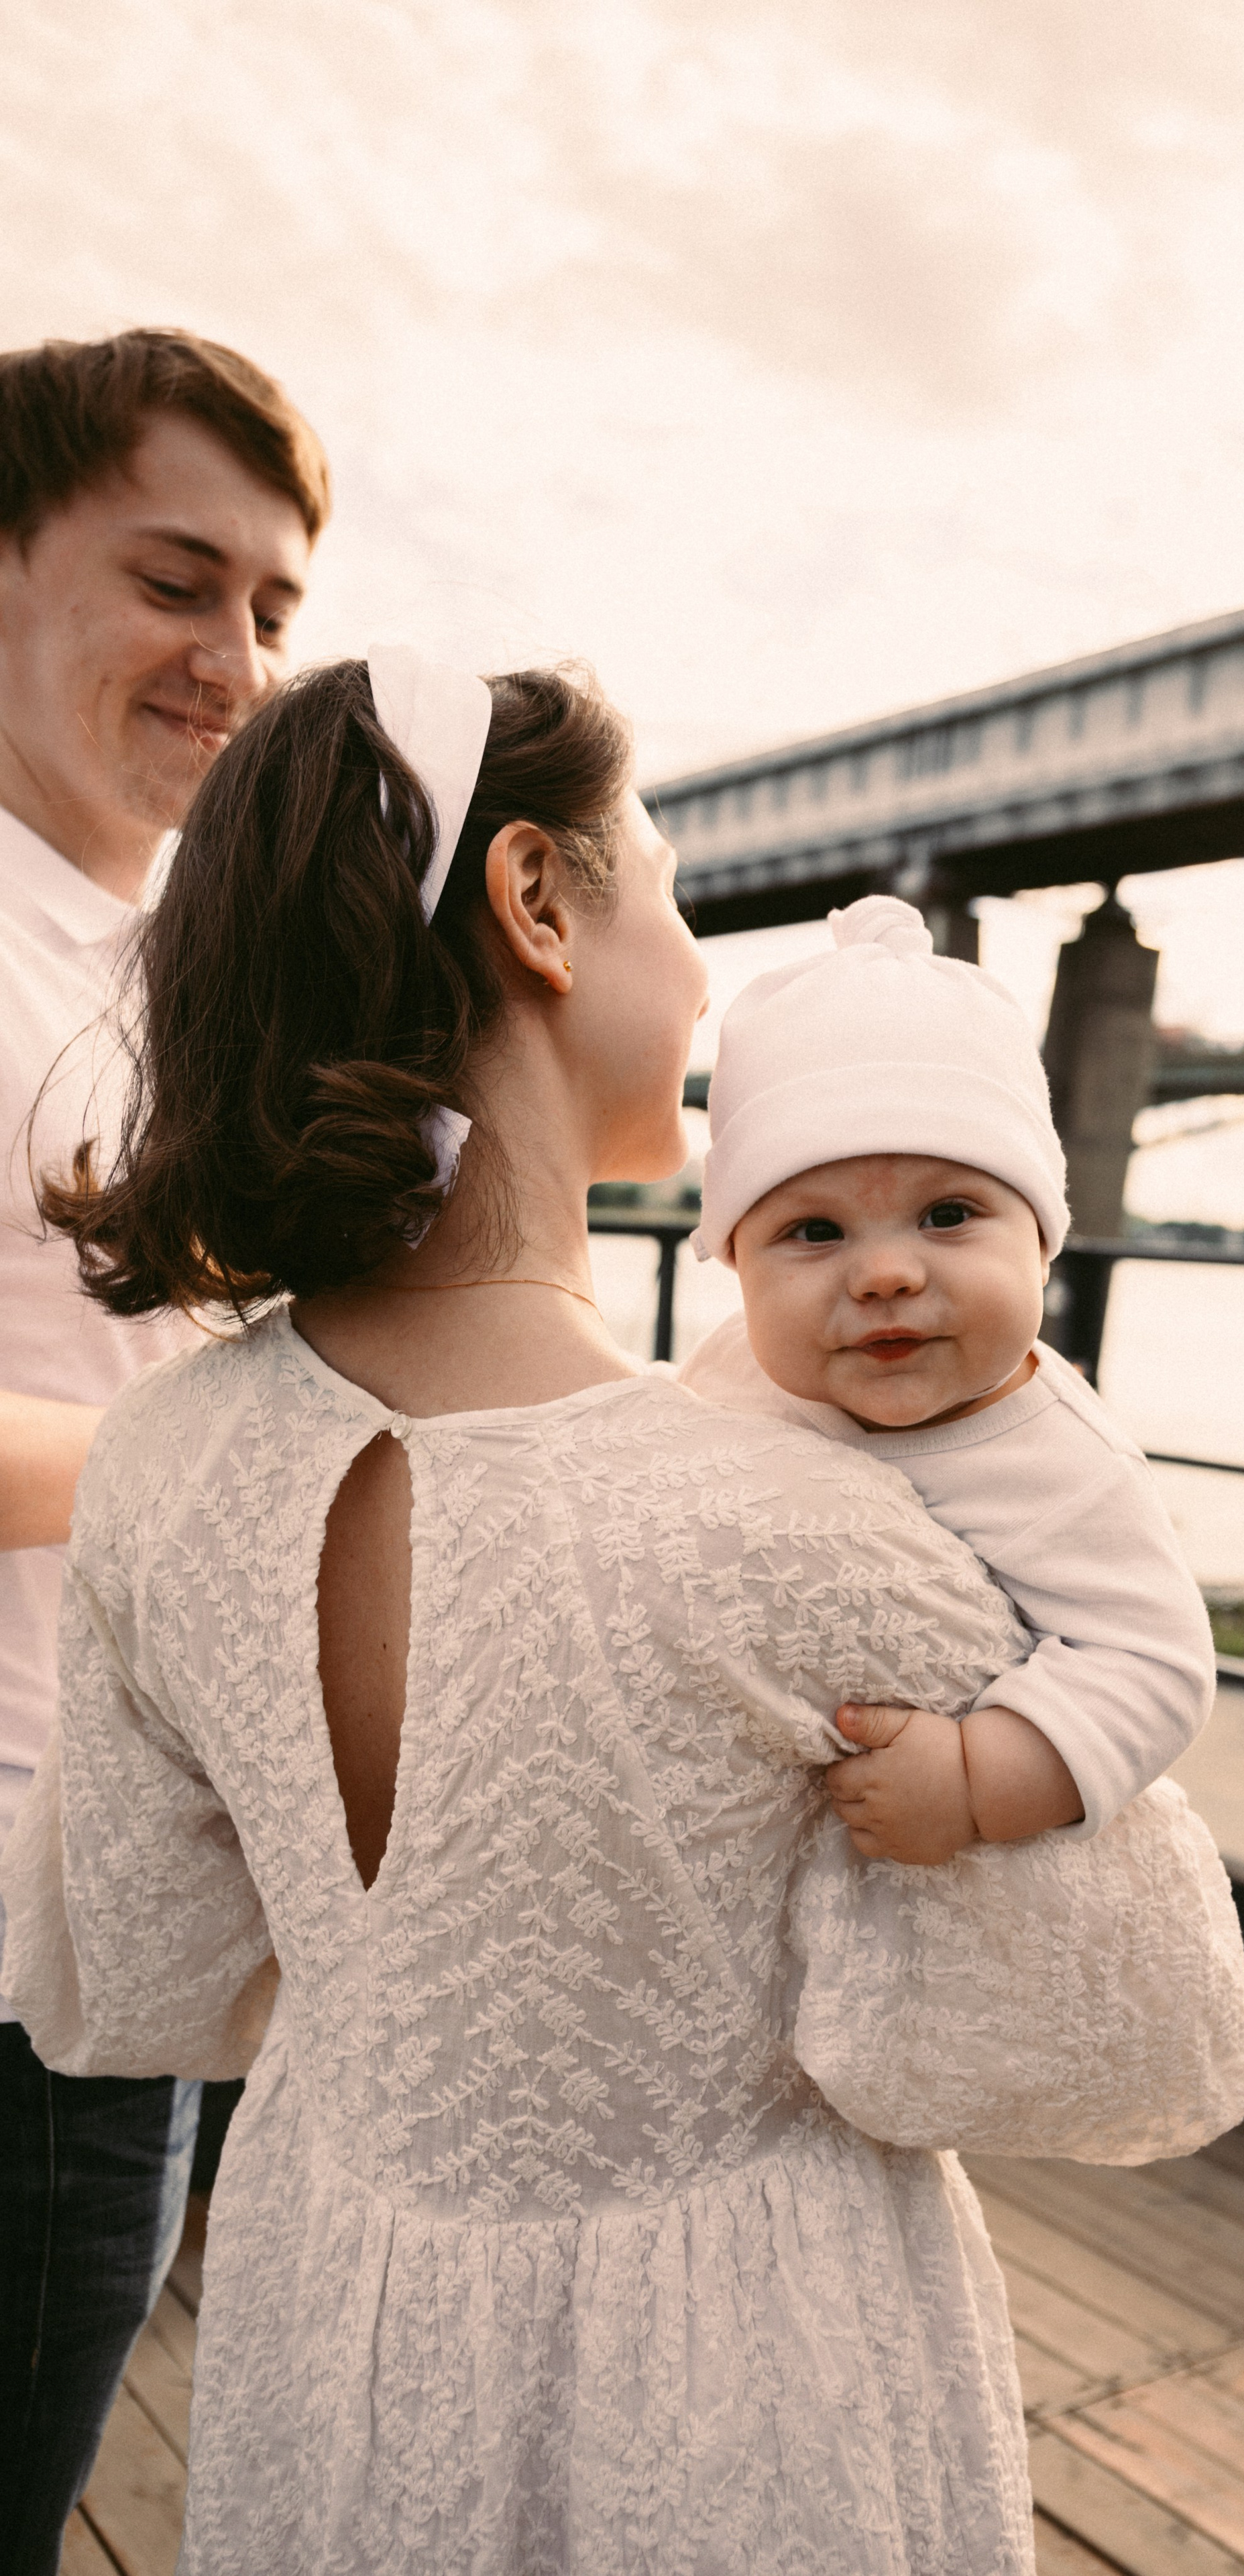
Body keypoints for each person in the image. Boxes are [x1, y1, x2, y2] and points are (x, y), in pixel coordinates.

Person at [0, 645, 1167, 2572]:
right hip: (745, 2379)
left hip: (334, 2330)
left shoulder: (159, 1468)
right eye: (680, 890)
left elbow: (146, 1967)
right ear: (540, 900)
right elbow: (1120, 2029)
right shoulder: (804, 1514)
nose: (707, 974)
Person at [674, 897, 1244, 2163]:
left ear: (1042, 1239)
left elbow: (1152, 1660)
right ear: (731, 1265)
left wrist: (982, 1779)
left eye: (948, 1216)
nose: (883, 1271)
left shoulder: (1060, 1457)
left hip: (938, 1917)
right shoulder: (730, 1375)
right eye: (812, 1231)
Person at [0, 327, 328, 2571]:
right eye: (176, 580)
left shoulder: (144, 970)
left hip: (115, 1894)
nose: (237, 659)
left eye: (277, 612)